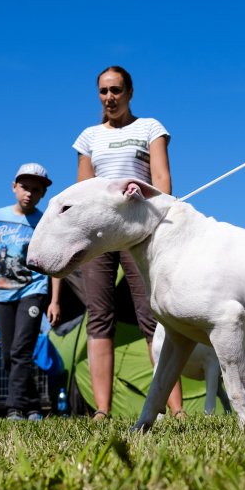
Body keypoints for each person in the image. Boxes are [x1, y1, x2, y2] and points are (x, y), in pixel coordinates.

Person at [68, 65, 184, 420]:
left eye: (116, 90)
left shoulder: (150, 128)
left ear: (130, 92)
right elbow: (85, 190)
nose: (109, 98)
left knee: (153, 314)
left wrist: (154, 215)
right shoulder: (88, 137)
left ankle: (175, 409)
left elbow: (162, 181)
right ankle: (102, 410)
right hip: (101, 236)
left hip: (139, 231)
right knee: (100, 317)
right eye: (103, 91)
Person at [0, 164, 62, 421]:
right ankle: (32, 405)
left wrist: (54, 300)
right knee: (9, 353)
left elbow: (54, 263)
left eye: (36, 190)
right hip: (3, 293)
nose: (29, 193)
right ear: (14, 187)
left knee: (21, 349)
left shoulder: (43, 221)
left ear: (42, 194)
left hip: (34, 290)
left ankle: (15, 408)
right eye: (24, 187)